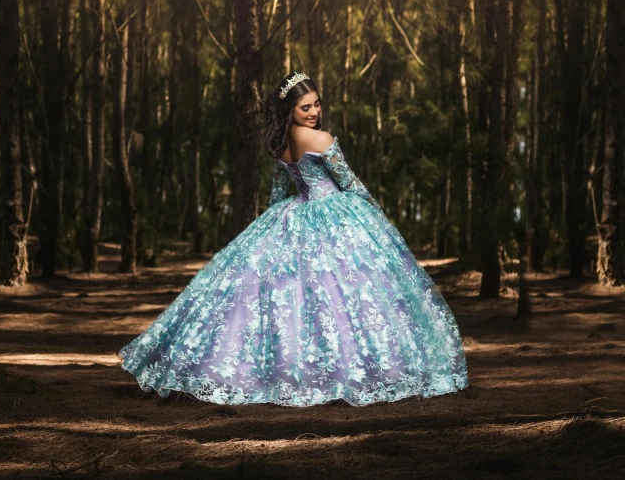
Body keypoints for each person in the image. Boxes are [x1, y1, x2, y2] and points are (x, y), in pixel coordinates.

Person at [118, 72, 468, 407]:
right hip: (335, 214)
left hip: (293, 213)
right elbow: (349, 183)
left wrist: (272, 233)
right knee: (345, 295)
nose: (315, 112)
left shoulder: (278, 142)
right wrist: (376, 216)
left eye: (317, 104)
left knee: (300, 299)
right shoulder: (321, 139)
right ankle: (349, 371)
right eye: (306, 107)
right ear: (289, 110)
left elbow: (277, 192)